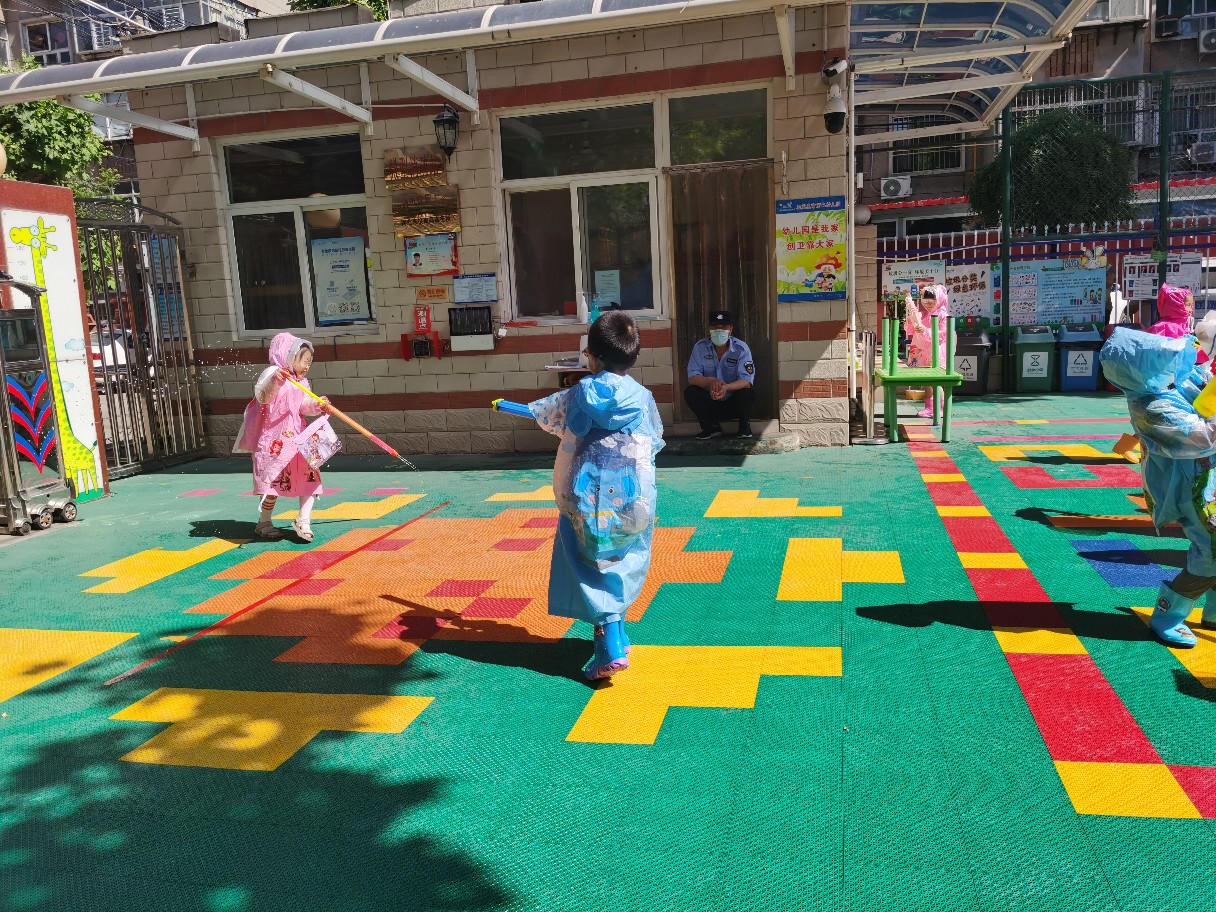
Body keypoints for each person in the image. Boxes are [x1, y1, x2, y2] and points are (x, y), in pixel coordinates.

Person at [494, 311, 664, 680]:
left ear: (593, 357)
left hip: (584, 500)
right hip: (632, 499)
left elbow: (543, 412)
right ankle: (619, 635)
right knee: (621, 560)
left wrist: (504, 404)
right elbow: (654, 439)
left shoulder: (579, 394)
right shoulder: (643, 397)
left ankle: (608, 648)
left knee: (591, 567)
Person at [1101, 326, 1216, 648]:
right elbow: (1202, 438)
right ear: (1139, 371)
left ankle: (1213, 611)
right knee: (1211, 551)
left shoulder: (1177, 383)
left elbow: (1203, 379)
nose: (1172, 364)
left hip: (1208, 480)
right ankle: (1168, 616)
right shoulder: (1150, 406)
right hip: (1191, 490)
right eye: (1161, 361)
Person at [233, 332, 330, 543]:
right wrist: (276, 381)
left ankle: (304, 520)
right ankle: (264, 522)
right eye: (304, 361)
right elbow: (263, 396)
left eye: (309, 363)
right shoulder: (272, 373)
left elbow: (303, 407)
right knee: (273, 481)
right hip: (275, 440)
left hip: (299, 438)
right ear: (289, 356)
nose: (306, 367)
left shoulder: (302, 381)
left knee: (310, 477)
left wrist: (317, 405)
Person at [1113, 284, 1200, 462]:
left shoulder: (1173, 326)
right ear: (1175, 305)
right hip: (1166, 380)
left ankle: (1128, 444)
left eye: (1191, 304)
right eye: (1187, 304)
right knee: (1159, 415)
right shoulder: (1169, 328)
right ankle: (1131, 444)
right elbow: (1169, 353)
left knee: (1156, 416)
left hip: (1169, 378)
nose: (1190, 308)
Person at [684, 310, 755, 440]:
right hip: (710, 402)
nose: (719, 331)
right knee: (691, 392)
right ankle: (711, 428)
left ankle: (744, 428)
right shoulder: (700, 347)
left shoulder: (741, 348)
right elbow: (692, 378)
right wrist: (710, 381)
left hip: (733, 401)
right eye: (715, 328)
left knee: (747, 392)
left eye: (723, 327)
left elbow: (746, 379)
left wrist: (727, 387)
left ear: (730, 329)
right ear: (709, 329)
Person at [904, 284, 951, 419]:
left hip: (935, 351)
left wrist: (925, 330)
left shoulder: (943, 316)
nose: (928, 305)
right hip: (921, 350)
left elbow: (942, 334)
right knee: (927, 380)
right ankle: (929, 407)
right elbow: (910, 331)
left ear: (940, 300)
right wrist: (911, 321)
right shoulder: (923, 314)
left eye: (931, 302)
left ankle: (940, 407)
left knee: (936, 381)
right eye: (925, 302)